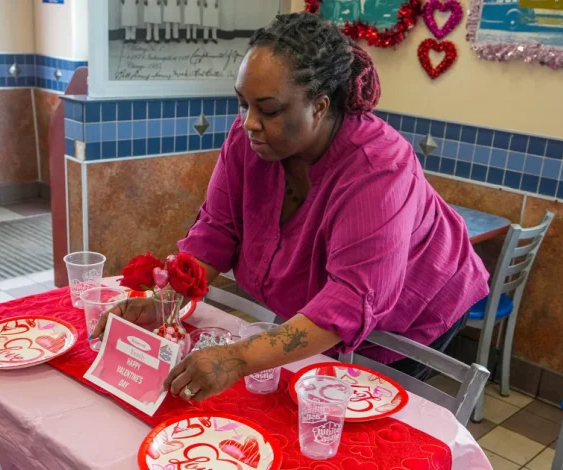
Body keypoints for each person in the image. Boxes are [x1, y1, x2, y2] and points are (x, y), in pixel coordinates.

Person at [93, 12, 489, 403]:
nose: (250, 123)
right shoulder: (249, 140)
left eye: (268, 110)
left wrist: (237, 359)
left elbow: (351, 299)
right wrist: (166, 304)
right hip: (329, 310)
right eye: (243, 104)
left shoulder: (377, 167)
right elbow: (217, 230)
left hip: (414, 310)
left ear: (319, 106)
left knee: (360, 413)